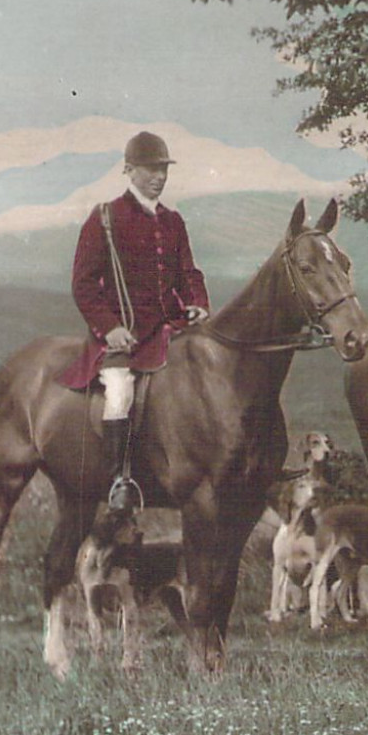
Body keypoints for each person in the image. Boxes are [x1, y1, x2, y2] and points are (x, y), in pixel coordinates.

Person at [57, 131, 211, 509]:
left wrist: (198, 304)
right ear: (129, 170)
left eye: (163, 169)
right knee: (120, 393)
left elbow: (189, 273)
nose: (158, 176)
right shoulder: (106, 218)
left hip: (168, 331)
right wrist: (110, 328)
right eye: (150, 169)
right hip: (122, 336)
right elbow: (83, 284)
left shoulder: (173, 221)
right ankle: (120, 480)